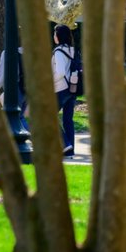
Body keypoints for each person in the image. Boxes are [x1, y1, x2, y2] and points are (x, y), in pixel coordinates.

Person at [52, 25, 77, 157]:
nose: (53, 36)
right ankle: (70, 150)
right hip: (72, 88)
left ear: (58, 36)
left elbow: (60, 72)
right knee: (68, 120)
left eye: (55, 33)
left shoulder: (58, 51)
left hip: (61, 88)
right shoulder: (71, 49)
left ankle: (65, 145)